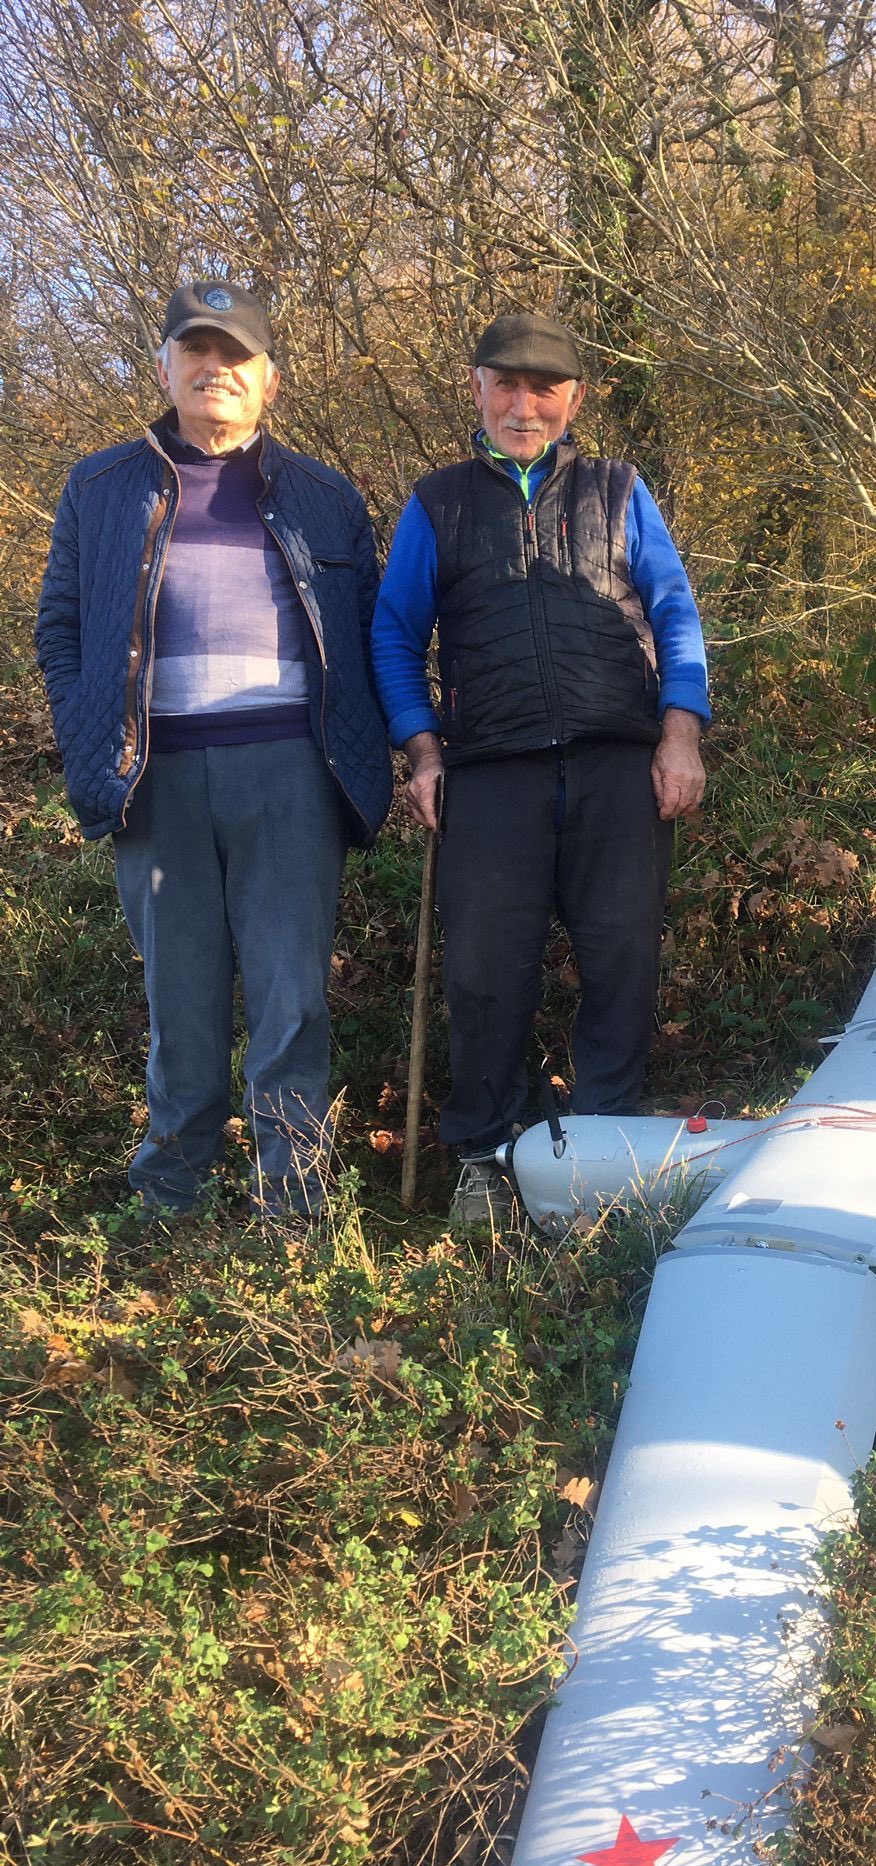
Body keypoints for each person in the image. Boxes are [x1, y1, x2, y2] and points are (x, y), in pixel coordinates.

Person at [36, 280, 393, 1214]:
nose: (215, 370)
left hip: (290, 772)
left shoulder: (325, 495)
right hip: (152, 773)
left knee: (291, 996)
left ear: (269, 378)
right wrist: (87, 732)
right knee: (181, 997)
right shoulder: (100, 487)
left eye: (236, 356)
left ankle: (293, 1196)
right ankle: (171, 1192)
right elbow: (60, 627)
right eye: (196, 351)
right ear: (164, 368)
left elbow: (369, 635)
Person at [371, 310, 710, 1223]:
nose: (525, 406)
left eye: (544, 389)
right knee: (485, 972)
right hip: (490, 771)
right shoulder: (436, 503)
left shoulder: (619, 489)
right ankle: (487, 1155)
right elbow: (395, 635)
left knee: (622, 961)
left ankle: (604, 1153)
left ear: (575, 399)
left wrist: (681, 733)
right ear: (477, 388)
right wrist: (422, 749)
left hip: (620, 764)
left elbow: (675, 611)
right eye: (507, 386)